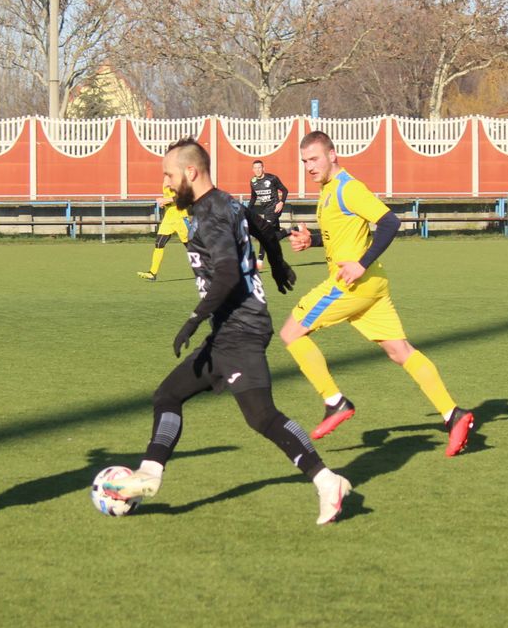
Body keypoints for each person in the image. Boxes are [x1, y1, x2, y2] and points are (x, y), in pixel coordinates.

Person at [105, 138, 352, 525]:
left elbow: (227, 273)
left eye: (169, 175)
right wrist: (278, 264)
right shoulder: (227, 202)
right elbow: (263, 227)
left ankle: (327, 482)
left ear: (191, 172)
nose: (166, 184)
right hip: (227, 331)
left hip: (242, 329)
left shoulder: (211, 215)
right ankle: (149, 475)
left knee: (262, 417)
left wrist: (194, 317)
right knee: (168, 394)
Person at [279, 130, 474, 455]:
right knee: (400, 351)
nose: (309, 167)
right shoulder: (328, 190)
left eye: (314, 159)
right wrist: (311, 241)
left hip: (350, 284)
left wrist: (361, 264)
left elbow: (389, 222)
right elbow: (343, 236)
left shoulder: (348, 188)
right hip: (370, 286)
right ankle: (453, 414)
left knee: (290, 333)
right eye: (304, 162)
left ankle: (334, 401)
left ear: (332, 154)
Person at [136, 184, 189, 281]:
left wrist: (164, 200)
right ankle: (152, 273)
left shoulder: (178, 180)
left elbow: (181, 197)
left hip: (180, 218)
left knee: (192, 247)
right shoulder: (165, 183)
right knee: (159, 243)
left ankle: (211, 268)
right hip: (168, 219)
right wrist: (164, 203)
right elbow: (171, 201)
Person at [247, 159, 289, 271]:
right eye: (255, 168)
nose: (257, 170)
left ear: (263, 168)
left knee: (264, 233)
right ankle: (294, 230)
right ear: (253, 170)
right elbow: (253, 198)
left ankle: (259, 261)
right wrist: (247, 210)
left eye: (259, 167)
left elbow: (285, 190)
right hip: (266, 211)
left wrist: (281, 202)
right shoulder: (253, 182)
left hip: (275, 208)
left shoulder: (272, 178)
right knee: (274, 237)